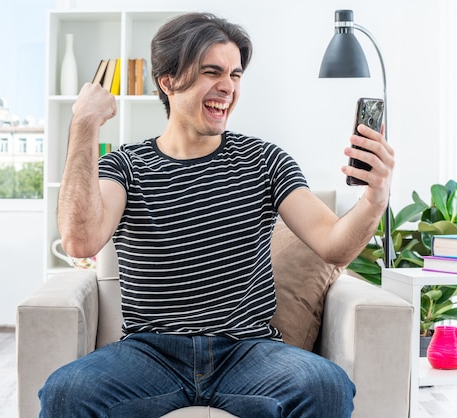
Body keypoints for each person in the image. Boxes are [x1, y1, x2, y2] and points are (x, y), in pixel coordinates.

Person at [39, 12, 394, 418]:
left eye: (236, 75)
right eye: (212, 72)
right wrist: (84, 124)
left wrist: (374, 198)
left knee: (325, 385)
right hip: (150, 352)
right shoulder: (126, 166)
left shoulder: (265, 161)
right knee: (67, 391)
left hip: (247, 351)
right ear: (167, 81)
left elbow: (334, 247)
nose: (228, 87)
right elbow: (79, 240)